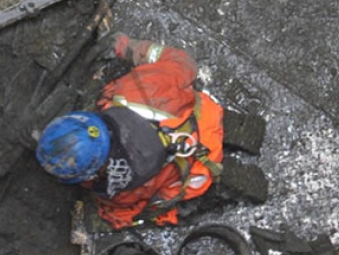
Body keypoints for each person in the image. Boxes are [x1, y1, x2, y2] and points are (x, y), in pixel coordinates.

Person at [36, 34, 224, 229]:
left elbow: (122, 209)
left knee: (147, 207)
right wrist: (126, 47)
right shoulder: (137, 89)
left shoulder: (121, 192)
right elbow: (185, 64)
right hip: (204, 118)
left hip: (198, 164)